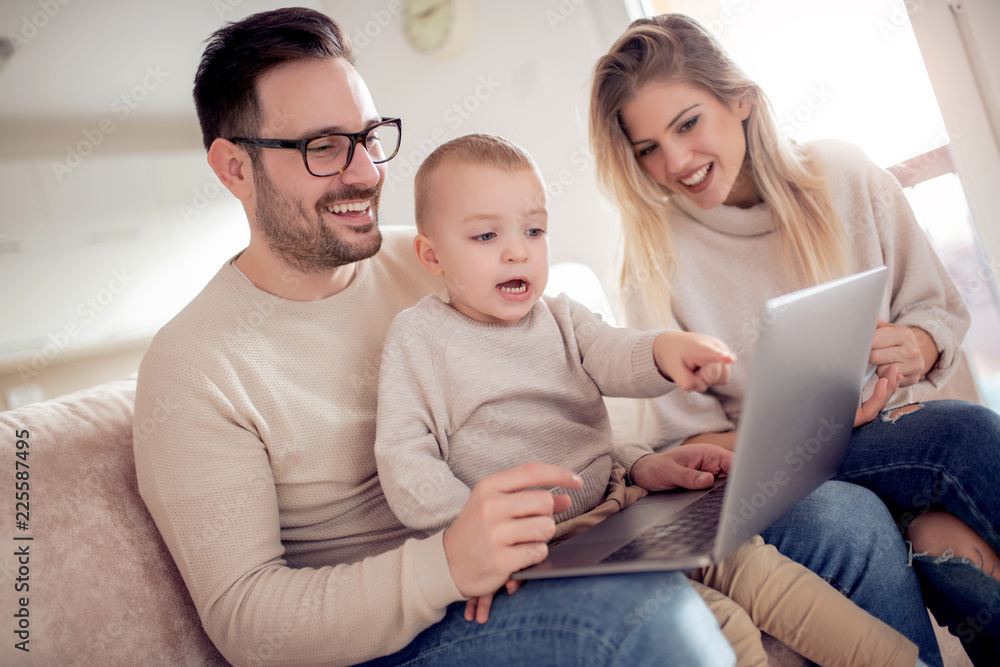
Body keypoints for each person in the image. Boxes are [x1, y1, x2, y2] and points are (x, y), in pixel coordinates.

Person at [132, 8, 738, 666]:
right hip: (401, 636)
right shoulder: (192, 367)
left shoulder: (428, 261)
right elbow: (248, 620)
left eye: (368, 136)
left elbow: (540, 401)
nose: (366, 172)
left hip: (530, 557)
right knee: (649, 622)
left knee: (817, 523)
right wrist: (446, 565)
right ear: (234, 169)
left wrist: (634, 462)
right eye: (324, 146)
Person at [373, 132, 922, 667]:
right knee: (712, 623)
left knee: (757, 569)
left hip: (623, 505)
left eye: (534, 230)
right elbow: (404, 459)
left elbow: (615, 352)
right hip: (537, 548)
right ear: (431, 255)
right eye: (486, 237)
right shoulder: (419, 339)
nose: (518, 251)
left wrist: (665, 351)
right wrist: (471, 536)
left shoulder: (560, 316)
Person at [588, 13, 1000, 667]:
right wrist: (786, 432)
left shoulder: (843, 173)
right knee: (847, 521)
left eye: (687, 123)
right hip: (766, 479)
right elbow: (679, 444)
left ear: (740, 99)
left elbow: (935, 309)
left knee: (971, 433)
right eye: (647, 149)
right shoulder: (653, 255)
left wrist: (917, 343)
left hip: (874, 437)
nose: (675, 164)